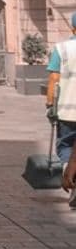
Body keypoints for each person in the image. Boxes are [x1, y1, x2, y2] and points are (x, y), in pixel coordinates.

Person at [48, 13, 76, 207]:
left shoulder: (62, 48)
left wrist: (50, 104)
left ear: (72, 28)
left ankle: (71, 180)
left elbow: (54, 79)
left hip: (67, 110)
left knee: (65, 145)